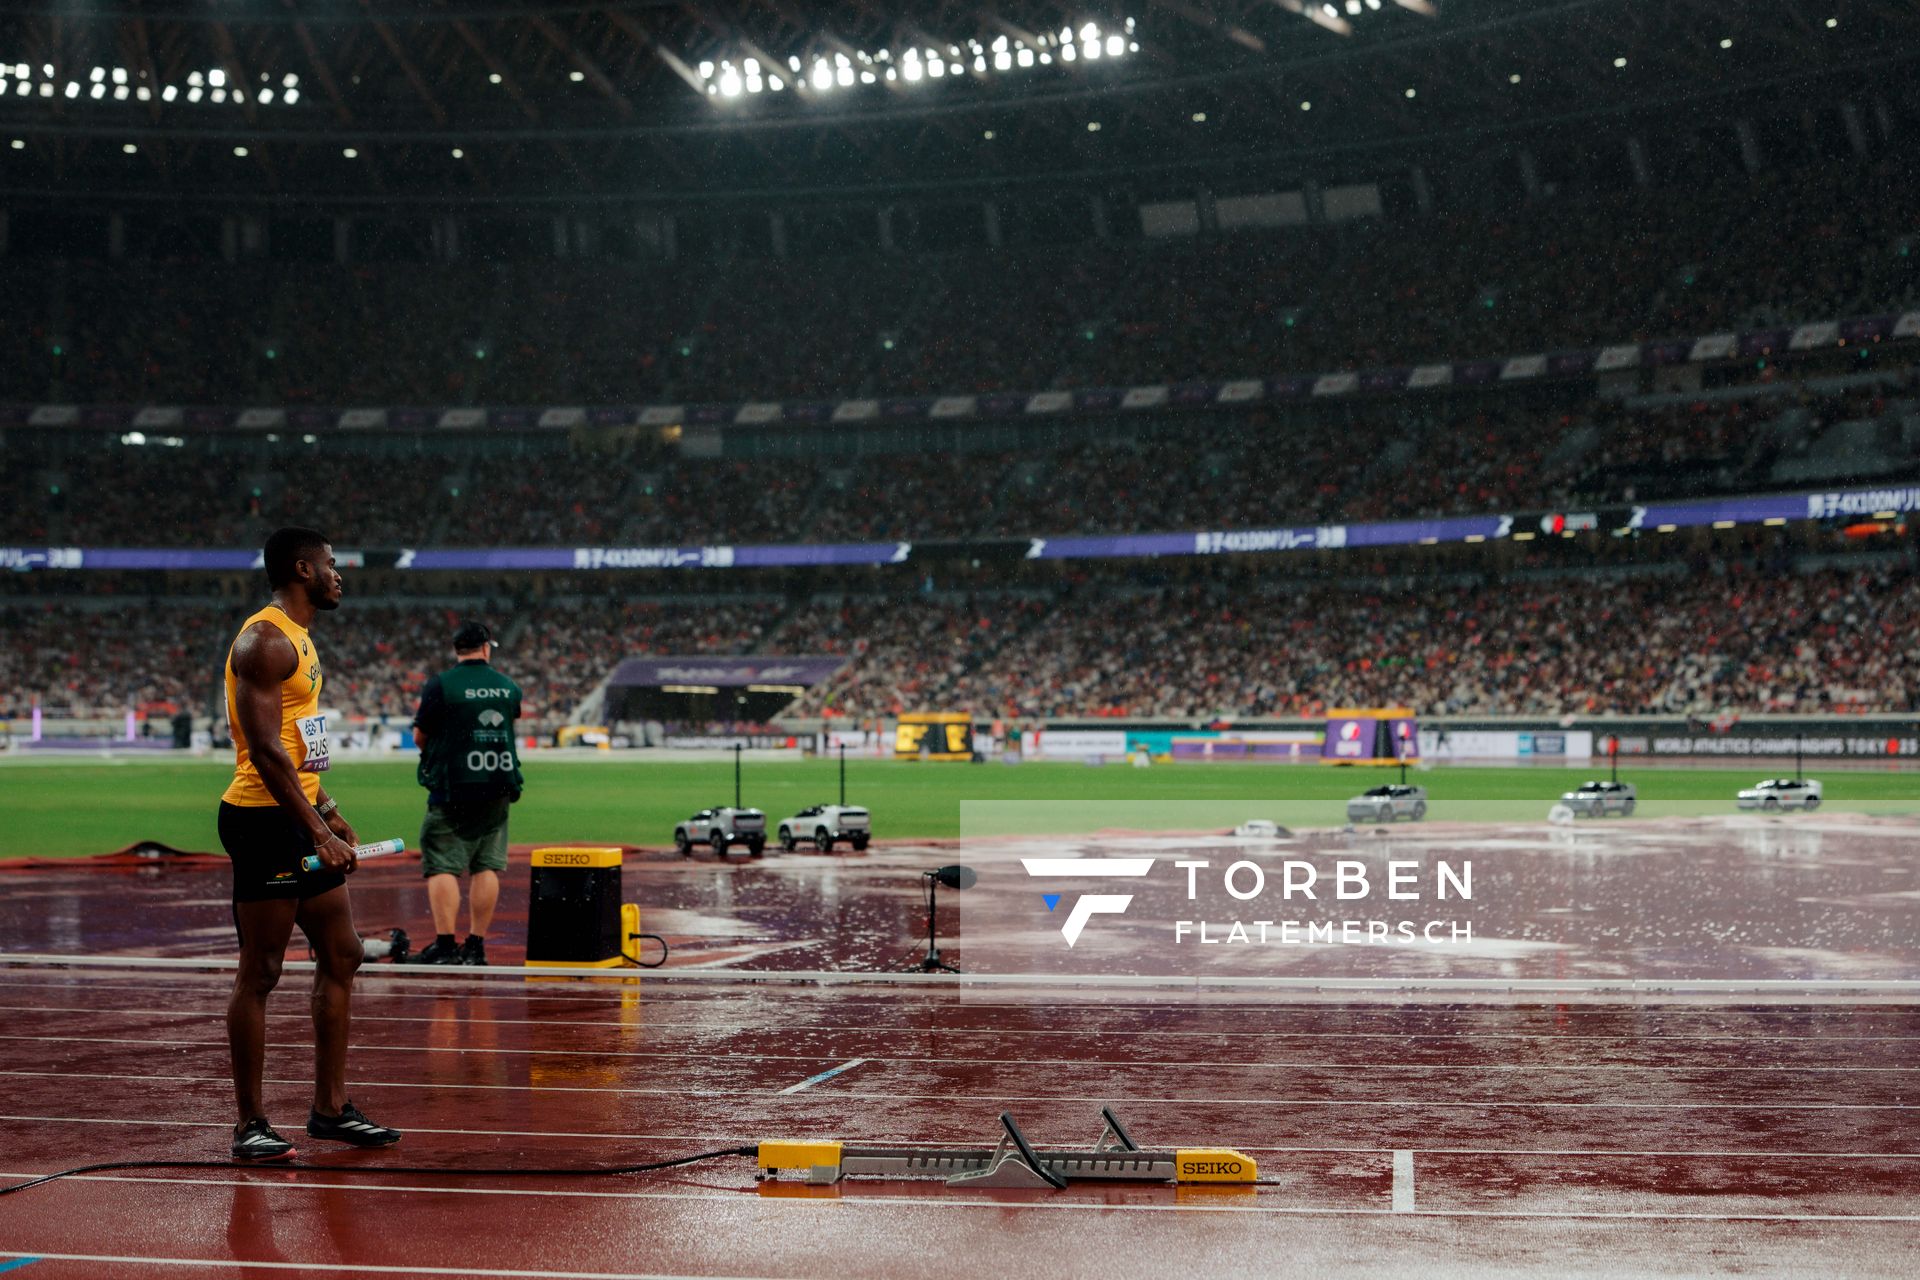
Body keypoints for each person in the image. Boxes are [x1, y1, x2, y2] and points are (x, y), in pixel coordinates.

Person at [218, 526, 400, 1161]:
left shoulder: (301, 639)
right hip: (262, 821)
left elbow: (299, 740)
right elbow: (265, 751)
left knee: (343, 953)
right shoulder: (264, 641)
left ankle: (329, 1109)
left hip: (297, 814)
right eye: (330, 565)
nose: (339, 575)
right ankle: (250, 1126)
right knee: (262, 971)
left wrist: (328, 807)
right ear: (302, 569)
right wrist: (316, 831)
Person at [411, 620, 524, 966]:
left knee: (443, 863)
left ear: (457, 650)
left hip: (454, 785)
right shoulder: (508, 687)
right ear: (487, 648)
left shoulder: (440, 685)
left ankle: (446, 945)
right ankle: (476, 946)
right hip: (498, 784)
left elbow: (420, 736)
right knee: (485, 864)